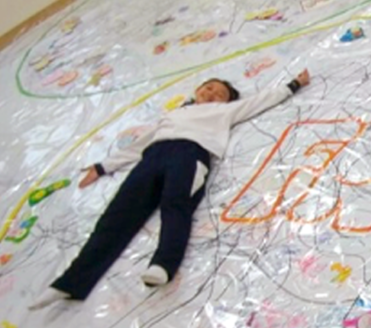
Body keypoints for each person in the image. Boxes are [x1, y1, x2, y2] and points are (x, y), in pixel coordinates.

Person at [29, 70, 312, 310]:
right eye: (208, 88)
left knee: (176, 205)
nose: (212, 94)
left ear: (226, 102)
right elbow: (141, 144)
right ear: (197, 91)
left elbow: (259, 102)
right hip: (153, 156)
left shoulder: (223, 111)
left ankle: (164, 264)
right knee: (116, 215)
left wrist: (293, 85)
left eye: (219, 94)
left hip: (191, 154)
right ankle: (71, 281)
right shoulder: (173, 114)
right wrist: (103, 166)